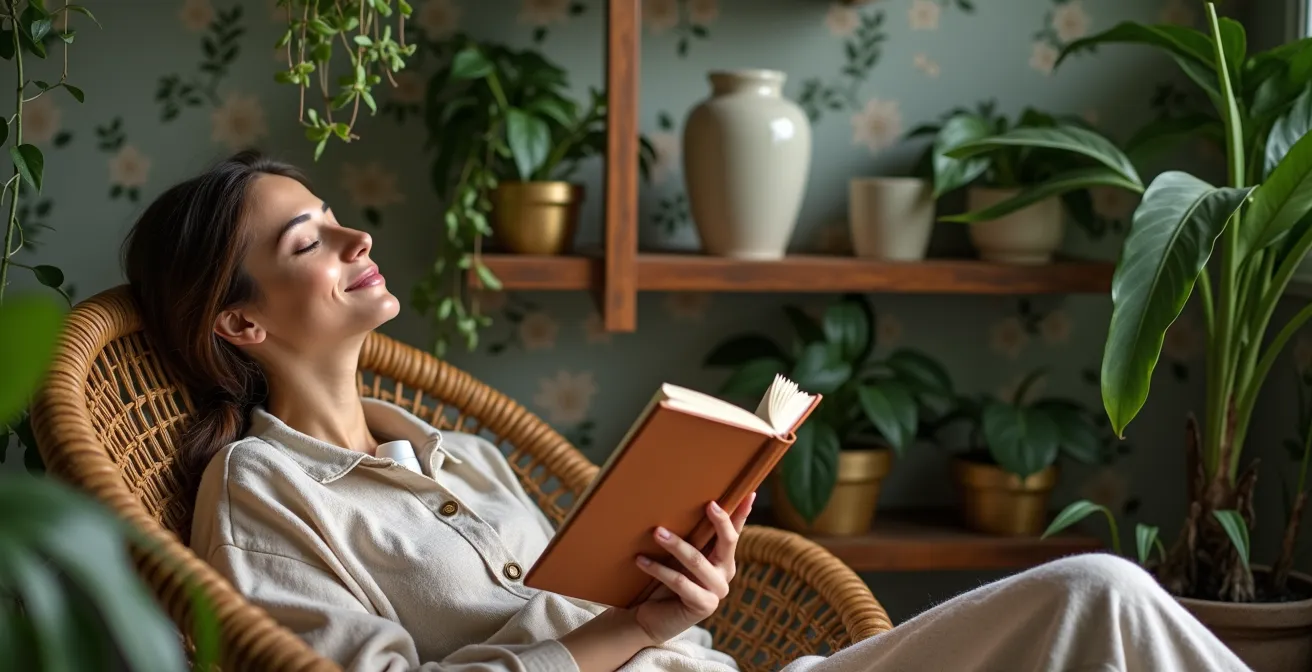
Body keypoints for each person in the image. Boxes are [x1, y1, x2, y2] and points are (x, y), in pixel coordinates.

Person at [122, 150, 1252, 672]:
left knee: (1100, 602)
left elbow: (628, 621)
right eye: (308, 241)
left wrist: (684, 590)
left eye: (334, 214)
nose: (357, 238)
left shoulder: (461, 454)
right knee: (1097, 592)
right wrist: (635, 632)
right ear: (242, 326)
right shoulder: (259, 493)